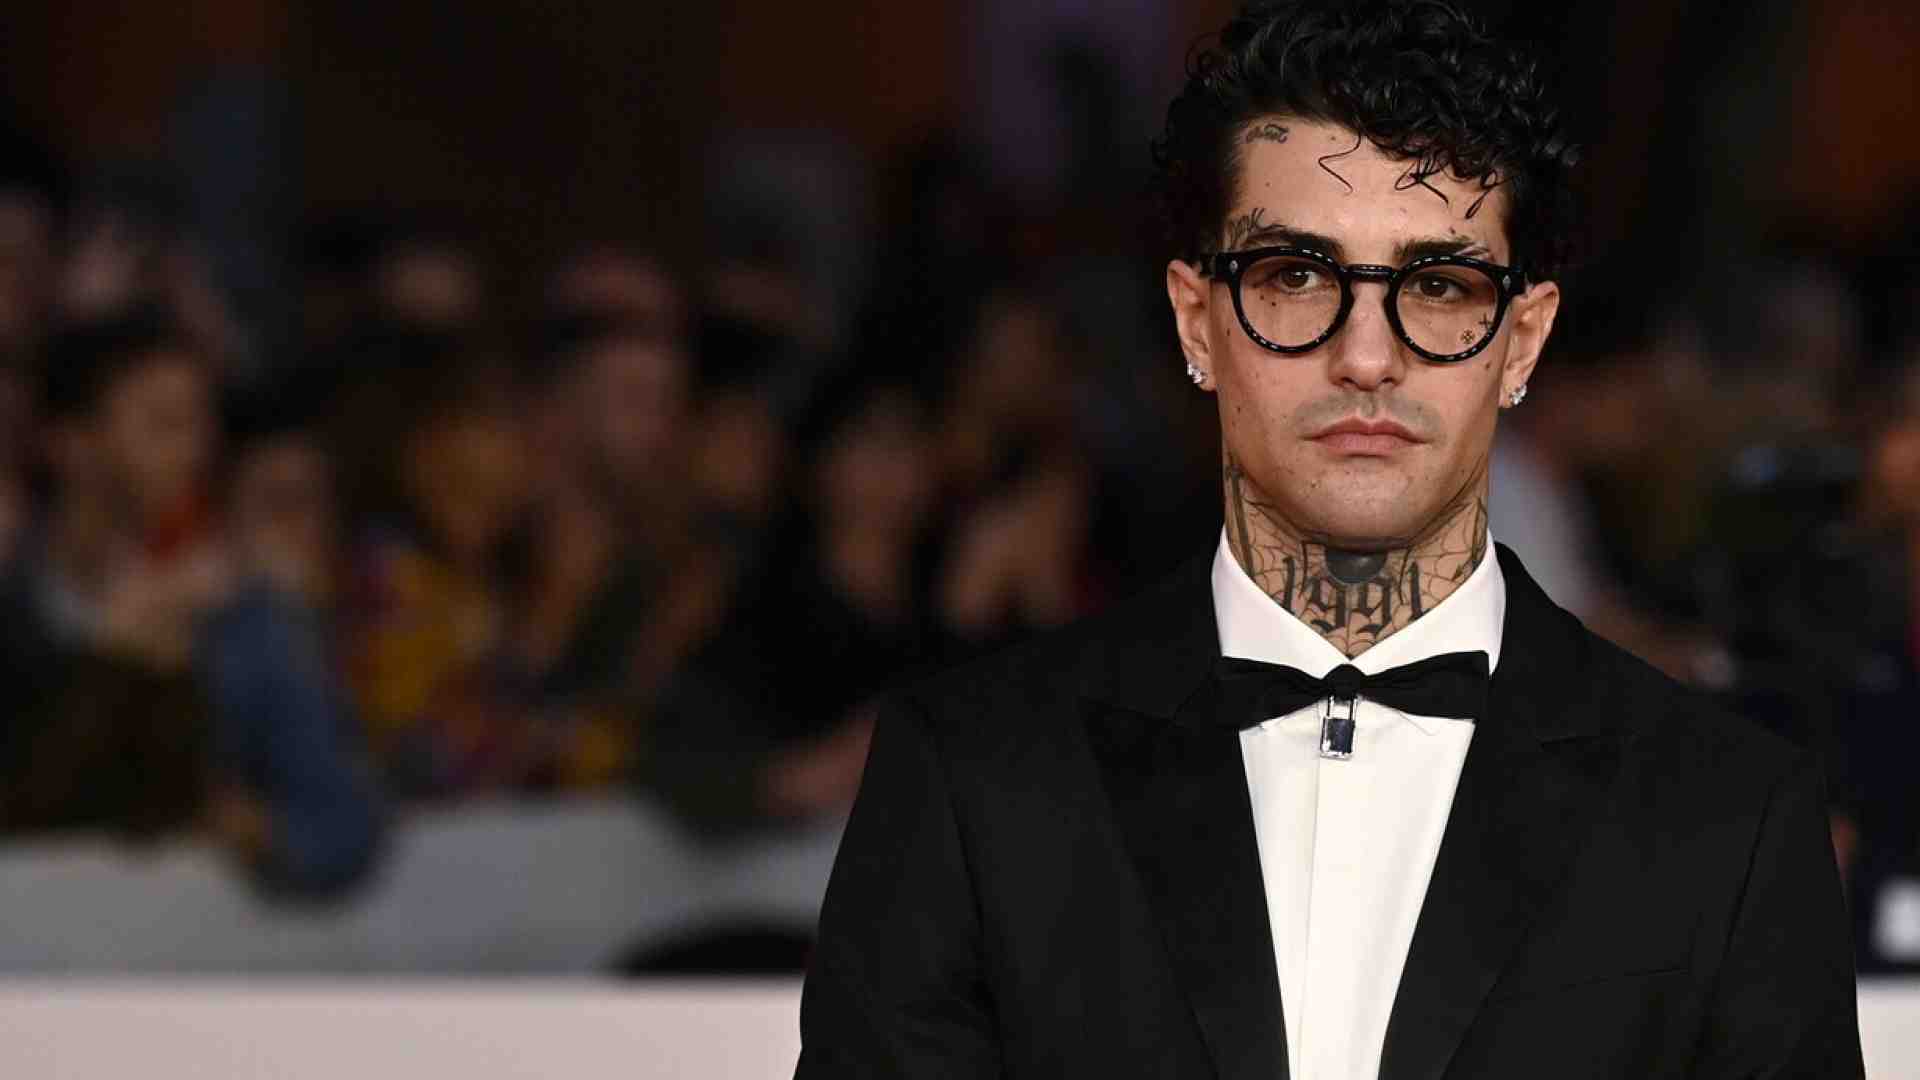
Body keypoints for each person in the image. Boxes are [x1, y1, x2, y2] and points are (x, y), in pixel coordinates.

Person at [795, 2, 1863, 1077]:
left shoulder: (1727, 816)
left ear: (1523, 341)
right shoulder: (975, 776)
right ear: (1197, 320)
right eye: (1296, 276)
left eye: (1438, 286)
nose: (1366, 356)